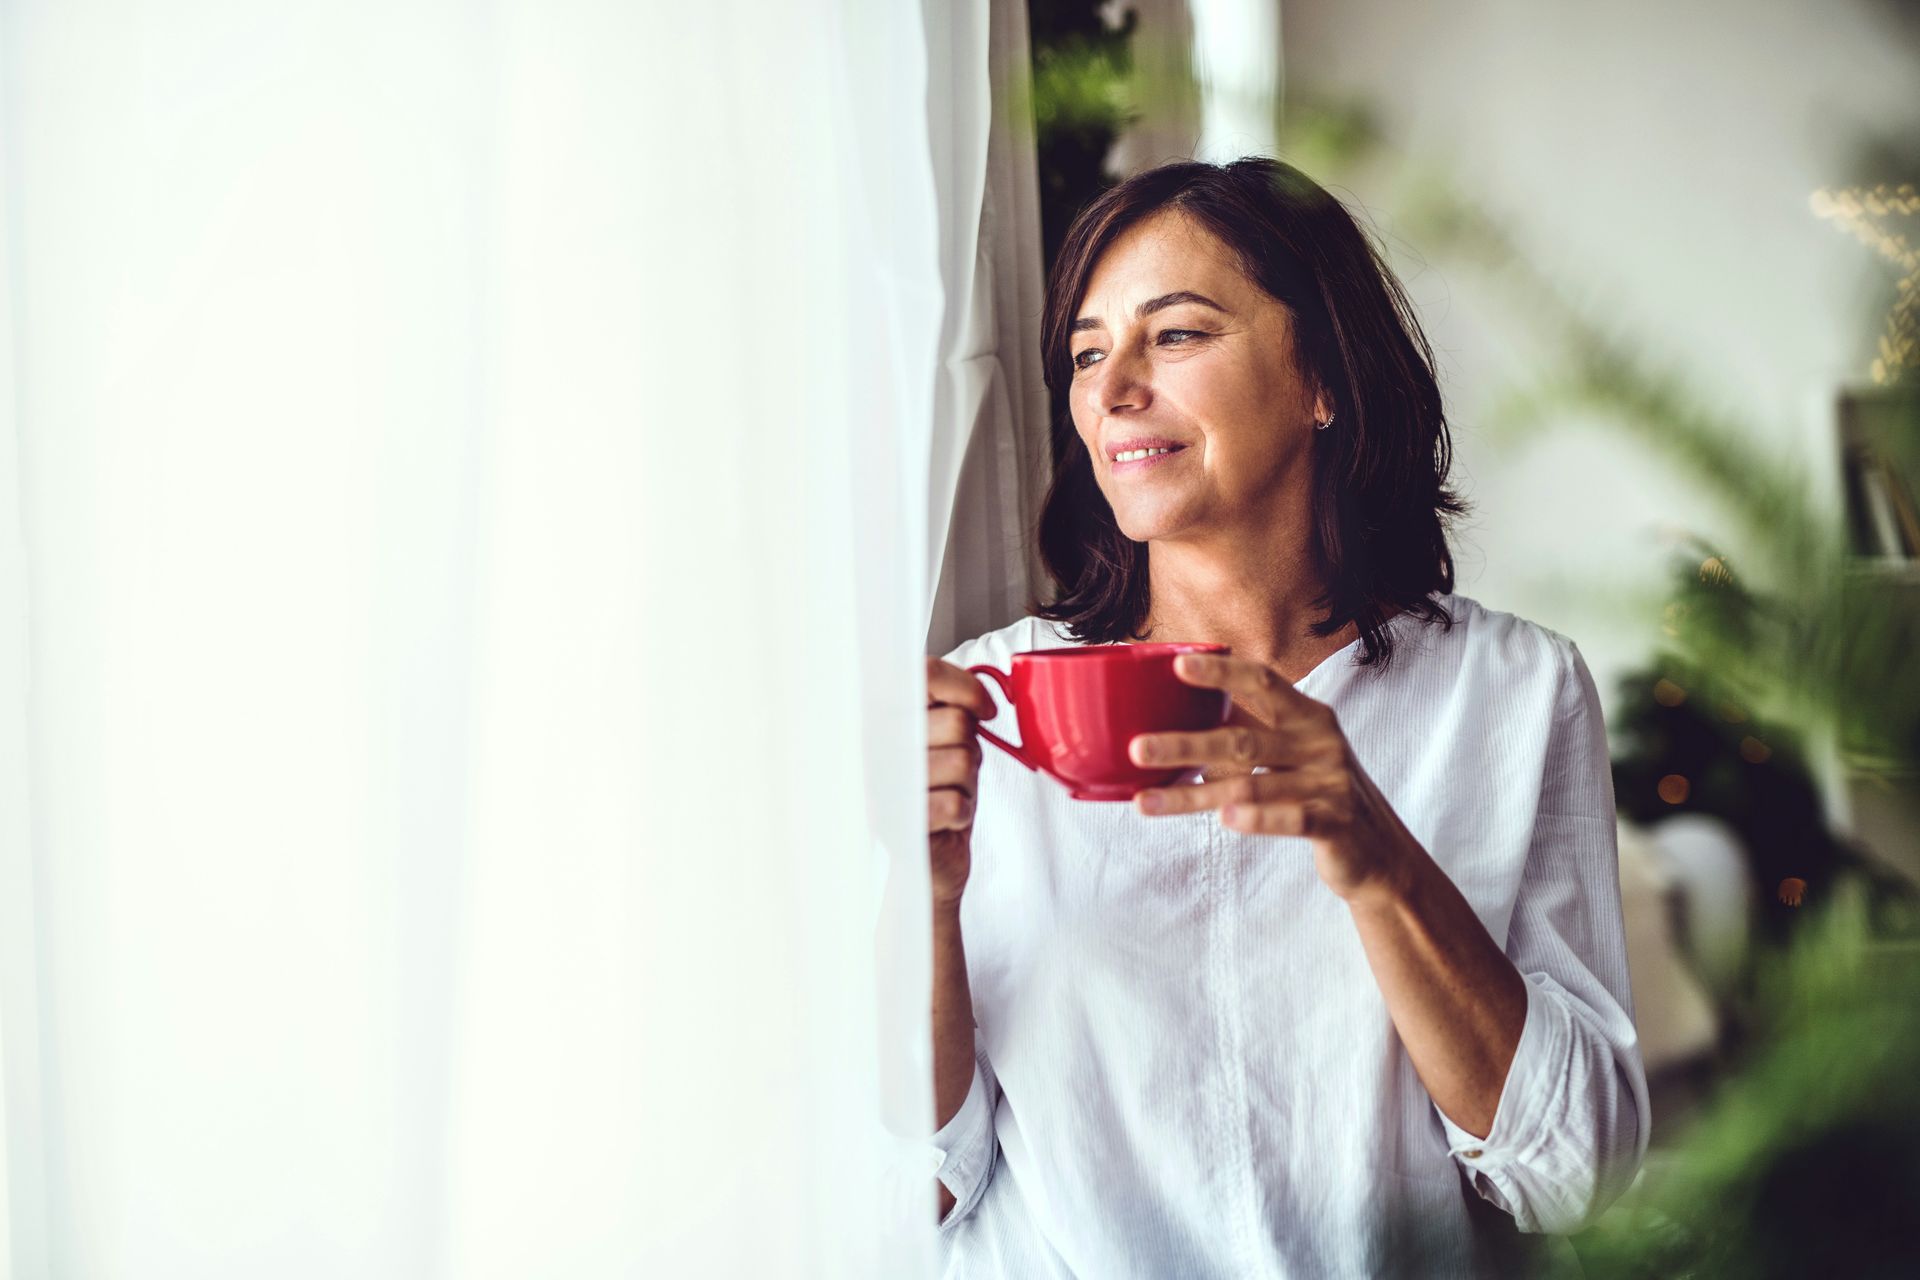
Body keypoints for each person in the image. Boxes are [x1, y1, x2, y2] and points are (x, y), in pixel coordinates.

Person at [920, 157, 1648, 1278]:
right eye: (1085, 353)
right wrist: (919, 896)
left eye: (1174, 336)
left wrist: (1377, 853)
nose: (1112, 389)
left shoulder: (1512, 694)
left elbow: (1579, 1178)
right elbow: (913, 1185)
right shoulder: (987, 705)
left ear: (1324, 375)